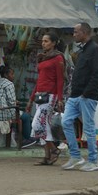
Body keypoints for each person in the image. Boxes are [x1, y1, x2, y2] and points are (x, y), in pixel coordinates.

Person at [60, 23, 98, 172]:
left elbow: (97, 73)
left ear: (84, 33)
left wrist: (87, 93)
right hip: (76, 95)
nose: (74, 35)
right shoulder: (83, 50)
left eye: (76, 32)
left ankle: (93, 161)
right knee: (66, 121)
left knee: (89, 128)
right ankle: (76, 156)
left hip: (87, 95)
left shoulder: (95, 50)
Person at [27, 32, 65, 164]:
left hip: (50, 95)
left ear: (54, 43)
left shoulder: (58, 58)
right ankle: (48, 156)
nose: (43, 43)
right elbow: (39, 81)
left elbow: (60, 80)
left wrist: (60, 99)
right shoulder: (43, 57)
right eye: (43, 41)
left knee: (37, 124)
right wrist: (31, 100)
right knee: (44, 125)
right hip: (40, 95)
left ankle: (54, 149)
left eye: (46, 41)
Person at [0, 65, 17, 144]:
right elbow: (12, 102)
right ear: (5, 75)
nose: (13, 76)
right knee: (25, 117)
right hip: (2, 112)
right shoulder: (9, 84)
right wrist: (13, 114)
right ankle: (26, 139)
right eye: (12, 74)